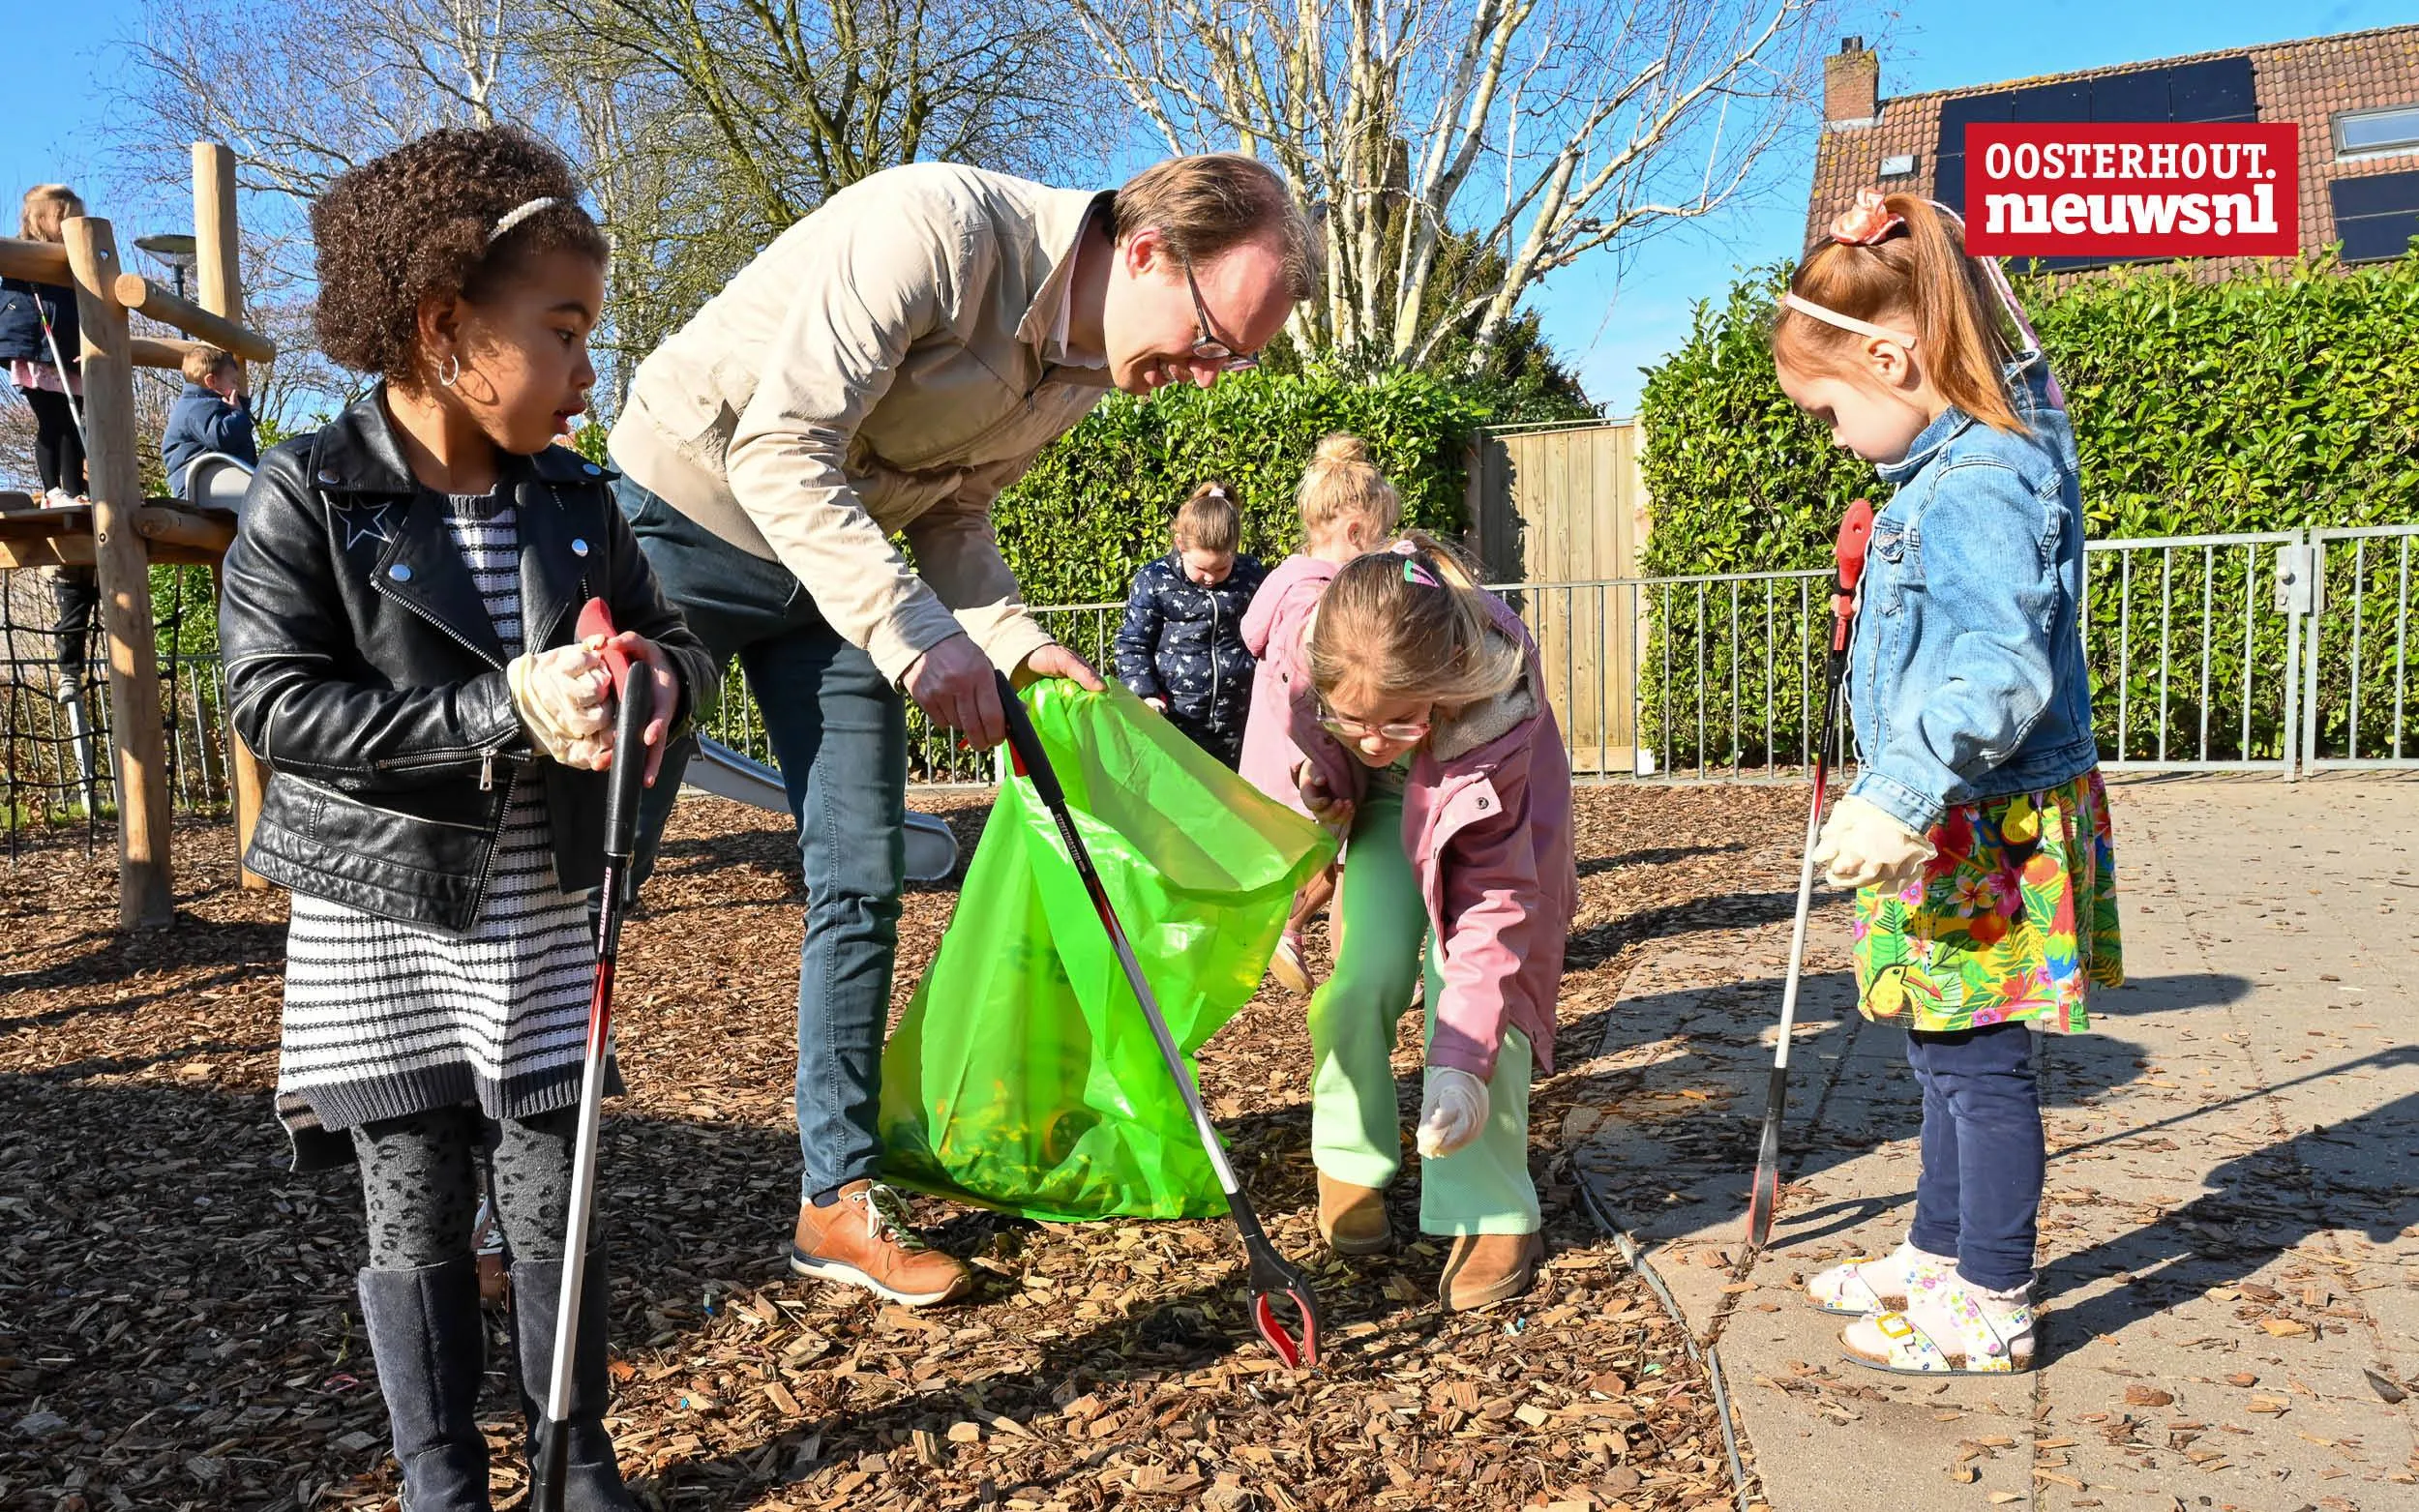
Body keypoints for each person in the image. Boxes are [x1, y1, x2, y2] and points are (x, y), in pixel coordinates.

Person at [608, 153, 1312, 1307]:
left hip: (840, 571)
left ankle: (834, 1200)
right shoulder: (936, 231)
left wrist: (1017, 641)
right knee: (600, 861)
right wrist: (923, 640)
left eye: (1230, 360)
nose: (1205, 376)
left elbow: (953, 513)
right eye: (1212, 339)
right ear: (1145, 252)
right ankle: (501, 1186)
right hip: (689, 519)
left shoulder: (1090, 364)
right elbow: (778, 452)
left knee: (863, 869)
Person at [219, 127, 715, 1510]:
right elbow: (275, 704)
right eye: (560, 330)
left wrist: (653, 677)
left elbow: (679, 641)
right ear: (444, 328)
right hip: (382, 918)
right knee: (416, 1204)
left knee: (558, 1193)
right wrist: (504, 706)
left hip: (547, 915)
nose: (584, 371)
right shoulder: (309, 492)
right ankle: (441, 1474)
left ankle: (579, 1455)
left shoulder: (572, 498)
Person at [1773, 189, 2121, 1375]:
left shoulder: (1982, 475)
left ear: (1891, 354)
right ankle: (1938, 1248)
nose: (1828, 434)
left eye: (1826, 410)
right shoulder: (1944, 463)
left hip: (1981, 818)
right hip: (1951, 816)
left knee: (1979, 1065)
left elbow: (1997, 662)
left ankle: (1991, 1295)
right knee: (1939, 1046)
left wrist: (1897, 789)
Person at [1288, 535, 1576, 1311]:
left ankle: (1492, 1209)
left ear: (1443, 687)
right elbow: (1303, 748)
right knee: (1358, 985)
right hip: (1388, 811)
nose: (1375, 738)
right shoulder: (1313, 650)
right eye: (1355, 719)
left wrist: (1458, 1062)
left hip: (1490, 826)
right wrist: (1326, 773)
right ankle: (1349, 1159)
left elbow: (1493, 903)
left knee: (1487, 1007)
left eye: (1400, 722)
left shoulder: (1494, 710)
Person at [1239, 433, 1401, 993]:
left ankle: (1343, 964)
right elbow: (1307, 684)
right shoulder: (1319, 600)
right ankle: (1331, 954)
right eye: (1379, 541)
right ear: (1357, 533)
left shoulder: (1284, 583)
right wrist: (1331, 766)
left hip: (1280, 755)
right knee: (1341, 869)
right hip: (1311, 764)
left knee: (1333, 866)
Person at [0, 184, 94, 694]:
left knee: (76, 425)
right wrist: (23, 344)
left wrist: (88, 342)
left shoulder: (72, 261)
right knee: (51, 423)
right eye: (67, 218)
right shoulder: (23, 260)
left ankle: (72, 484)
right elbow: (15, 306)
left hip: (69, 355)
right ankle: (53, 486)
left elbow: (85, 307)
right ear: (45, 220)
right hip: (38, 352)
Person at [1113, 481, 1266, 766]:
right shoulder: (1154, 579)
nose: (1210, 578)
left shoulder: (1251, 575)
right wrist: (1143, 695)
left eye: (1221, 568)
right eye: (1201, 568)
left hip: (1239, 722)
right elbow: (1132, 645)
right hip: (1174, 723)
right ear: (1180, 545)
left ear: (1235, 549)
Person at [161, 342, 257, 495]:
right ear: (211, 382)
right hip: (198, 488)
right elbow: (222, 437)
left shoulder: (207, 405)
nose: (237, 389)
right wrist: (239, 413)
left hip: (214, 483)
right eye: (234, 382)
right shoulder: (196, 408)